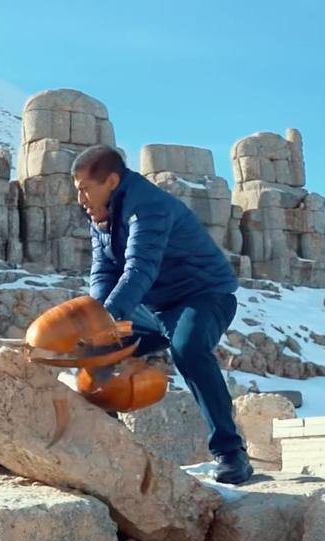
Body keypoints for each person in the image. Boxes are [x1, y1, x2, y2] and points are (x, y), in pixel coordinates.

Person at [72, 144, 253, 485]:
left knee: (187, 348)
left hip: (203, 297)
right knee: (95, 348)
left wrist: (110, 314)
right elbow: (103, 272)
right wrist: (99, 319)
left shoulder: (149, 206)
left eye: (84, 189)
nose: (80, 198)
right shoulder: (100, 214)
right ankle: (109, 448)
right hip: (153, 310)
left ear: (111, 180)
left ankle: (231, 454)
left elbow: (140, 268)